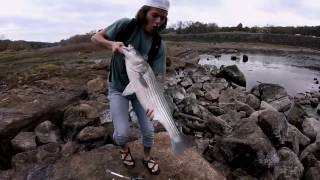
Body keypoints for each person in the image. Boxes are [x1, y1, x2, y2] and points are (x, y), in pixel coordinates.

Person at [91, 0, 170, 175]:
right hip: (118, 88)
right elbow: (95, 38)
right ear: (145, 12)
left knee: (149, 131)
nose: (158, 21)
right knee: (122, 134)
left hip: (141, 92)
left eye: (162, 18)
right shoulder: (125, 25)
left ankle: (147, 157)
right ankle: (124, 149)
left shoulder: (159, 45)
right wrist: (111, 44)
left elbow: (158, 79)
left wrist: (155, 102)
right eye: (155, 15)